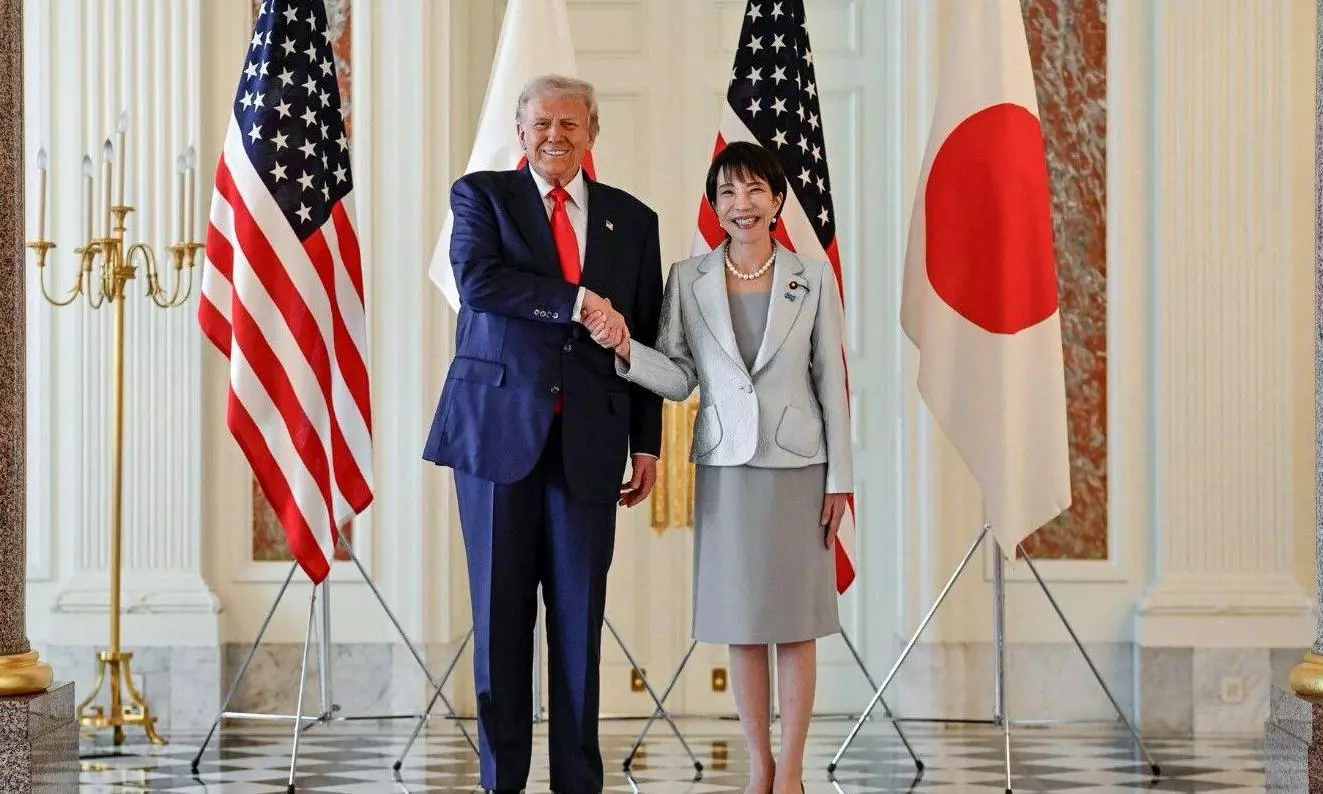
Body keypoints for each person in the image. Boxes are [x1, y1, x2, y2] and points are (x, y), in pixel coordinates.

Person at [585, 140, 852, 794]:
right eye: (727, 192)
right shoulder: (688, 279)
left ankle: (790, 773)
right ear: (713, 203)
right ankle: (757, 767)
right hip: (726, 468)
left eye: (754, 190)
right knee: (741, 620)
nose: (741, 204)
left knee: (794, 624)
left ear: (777, 199)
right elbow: (678, 378)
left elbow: (830, 382)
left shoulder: (810, 277)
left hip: (799, 468)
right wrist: (627, 349)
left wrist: (841, 478)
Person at [422, 74, 663, 794]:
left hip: (590, 446)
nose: (554, 136)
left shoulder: (633, 219)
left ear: (592, 135)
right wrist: (579, 302)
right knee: (499, 624)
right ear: (520, 133)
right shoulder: (481, 197)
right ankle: (503, 783)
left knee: (579, 627)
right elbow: (477, 279)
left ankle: (577, 784)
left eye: (569, 124)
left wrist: (645, 443)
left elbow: (642, 335)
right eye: (540, 125)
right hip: (496, 439)